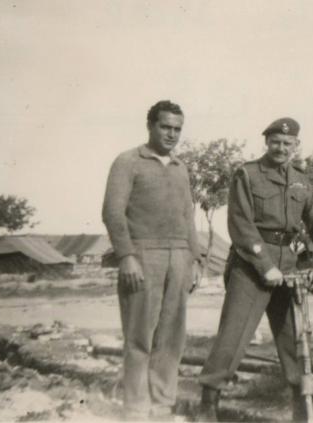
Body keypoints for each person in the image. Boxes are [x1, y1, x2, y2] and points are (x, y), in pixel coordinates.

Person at [197, 117, 313, 422]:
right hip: (251, 265)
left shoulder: (301, 180)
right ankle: (208, 403)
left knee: (296, 338)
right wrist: (265, 265)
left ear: (296, 146)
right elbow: (240, 224)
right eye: (275, 142)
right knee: (234, 334)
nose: (281, 148)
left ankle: (303, 409)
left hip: (288, 263)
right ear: (266, 142)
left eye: (288, 144)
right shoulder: (247, 174)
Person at [102, 100, 201, 420]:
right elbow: (113, 213)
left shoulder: (180, 167)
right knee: (140, 337)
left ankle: (162, 406)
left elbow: (188, 216)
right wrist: (127, 256)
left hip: (179, 257)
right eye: (165, 127)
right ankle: (135, 409)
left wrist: (195, 260)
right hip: (143, 256)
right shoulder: (128, 161)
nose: (172, 134)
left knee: (171, 339)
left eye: (177, 129)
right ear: (151, 126)